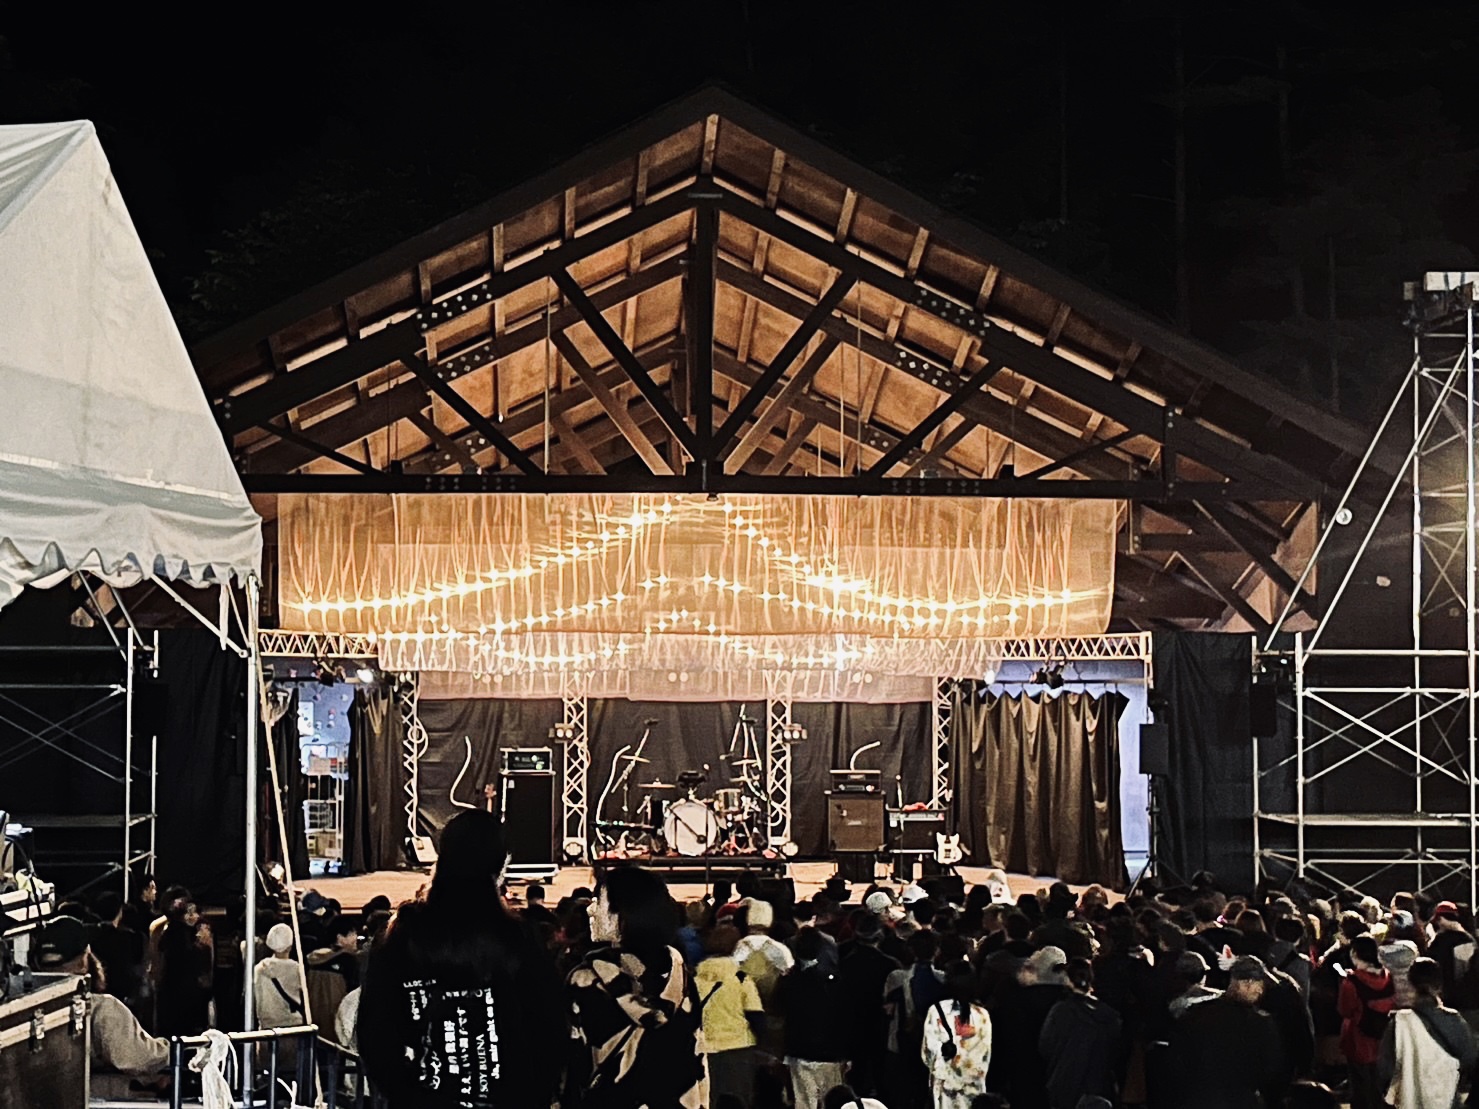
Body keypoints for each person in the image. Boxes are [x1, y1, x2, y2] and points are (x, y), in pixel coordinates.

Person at [359, 809, 567, 1108]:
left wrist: (405, 1095)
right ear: (501, 864)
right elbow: (549, 1029)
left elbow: (375, 1035)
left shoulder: (402, 934)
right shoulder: (519, 937)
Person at [565, 865, 708, 1109]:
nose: (590, 909)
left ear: (625, 914)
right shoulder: (681, 979)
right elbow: (698, 1061)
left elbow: (572, 1066)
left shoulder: (586, 981)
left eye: (599, 902)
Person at [33, 916, 169, 1077]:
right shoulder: (103, 1010)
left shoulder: (30, 1014)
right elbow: (139, 1059)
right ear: (83, 961)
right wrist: (173, 1050)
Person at [1165, 955, 1282, 1109]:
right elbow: (1269, 1070)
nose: (1260, 991)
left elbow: (1176, 1060)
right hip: (1240, 1102)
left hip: (1198, 1100)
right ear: (1247, 983)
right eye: (1259, 985)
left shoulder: (1196, 1014)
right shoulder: (1261, 1024)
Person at [1378, 956, 1477, 1108]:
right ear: (1439, 986)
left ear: (1410, 984)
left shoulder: (1399, 1022)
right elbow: (1470, 1058)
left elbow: (1385, 1070)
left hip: (1409, 1100)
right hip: (1448, 1100)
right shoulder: (1453, 1020)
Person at [778, 927, 849, 1109]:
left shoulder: (789, 980)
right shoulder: (834, 979)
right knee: (833, 1102)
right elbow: (842, 1017)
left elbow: (781, 1009)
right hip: (830, 1052)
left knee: (804, 1102)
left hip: (800, 1052)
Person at [695, 924, 765, 1109]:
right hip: (738, 1048)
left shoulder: (695, 977)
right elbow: (755, 1014)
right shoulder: (740, 977)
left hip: (704, 1049)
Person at [1038, 958, 1121, 1109]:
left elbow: (1045, 1046)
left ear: (1068, 980)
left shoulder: (1061, 1011)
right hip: (1100, 1084)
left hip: (1064, 1082)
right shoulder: (1110, 1015)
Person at [839, 912, 901, 1096]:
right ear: (880, 935)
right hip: (879, 1025)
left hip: (850, 1024)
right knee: (879, 1072)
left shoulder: (844, 962)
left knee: (856, 1073)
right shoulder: (890, 965)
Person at [921, 962, 991, 1109]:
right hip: (974, 1089)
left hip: (944, 1090)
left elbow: (928, 1053)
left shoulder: (936, 1011)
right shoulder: (982, 1015)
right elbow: (984, 1056)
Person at [1338, 934, 1395, 1109]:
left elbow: (1344, 1010)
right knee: (1378, 1083)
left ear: (1355, 953)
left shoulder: (1352, 982)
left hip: (1358, 1038)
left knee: (1360, 1086)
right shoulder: (1387, 976)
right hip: (1382, 1036)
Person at [154, 895, 213, 1035]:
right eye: (189, 913)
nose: (193, 916)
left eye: (195, 912)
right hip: (181, 993)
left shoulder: (184, 932)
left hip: (177, 992)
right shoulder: (178, 934)